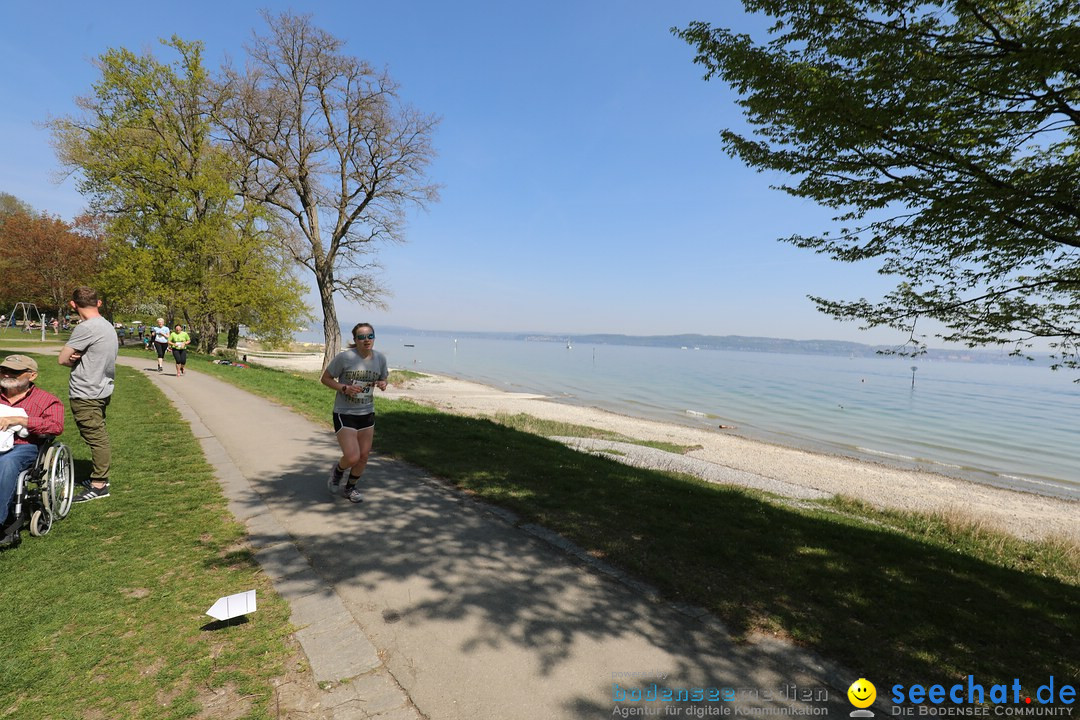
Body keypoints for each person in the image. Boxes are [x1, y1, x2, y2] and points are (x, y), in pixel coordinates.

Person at [58, 286, 118, 503]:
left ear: (73, 305)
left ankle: (99, 484)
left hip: (86, 392)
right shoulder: (106, 325)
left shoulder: (86, 328)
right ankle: (99, 478)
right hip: (102, 388)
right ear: (98, 303)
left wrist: (74, 357)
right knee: (97, 434)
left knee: (96, 438)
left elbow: (62, 359)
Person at [0, 354, 65, 548]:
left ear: (32, 375)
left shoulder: (47, 400)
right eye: (3, 370)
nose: (6, 374)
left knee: (7, 463)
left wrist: (21, 421)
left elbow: (55, 426)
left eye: (15, 372)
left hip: (24, 446)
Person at [320, 323, 388, 503]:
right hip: (345, 412)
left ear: (374, 338)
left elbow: (383, 378)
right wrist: (344, 388)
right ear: (355, 340)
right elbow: (325, 378)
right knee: (352, 456)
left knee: (364, 456)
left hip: (367, 412)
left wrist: (382, 384)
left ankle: (350, 488)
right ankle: (337, 471)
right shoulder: (345, 358)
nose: (366, 340)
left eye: (370, 336)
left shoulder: (380, 358)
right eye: (362, 337)